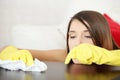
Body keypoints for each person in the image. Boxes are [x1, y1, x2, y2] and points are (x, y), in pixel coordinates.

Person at [0, 10, 120, 66]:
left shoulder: (112, 48)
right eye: (72, 36)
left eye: (88, 35)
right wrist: (9, 52)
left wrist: (106, 56)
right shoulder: (68, 54)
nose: (77, 43)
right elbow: (7, 49)